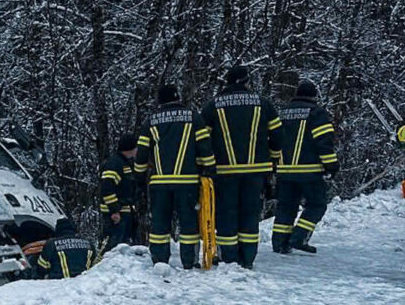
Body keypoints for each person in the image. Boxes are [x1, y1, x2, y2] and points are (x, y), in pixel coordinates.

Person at [203, 65, 282, 269]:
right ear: (246, 81)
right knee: (250, 212)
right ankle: (247, 257)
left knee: (227, 212)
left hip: (224, 171)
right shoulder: (263, 104)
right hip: (256, 171)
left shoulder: (213, 106)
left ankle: (229, 257)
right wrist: (273, 161)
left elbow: (201, 138)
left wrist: (206, 164)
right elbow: (278, 136)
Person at [135, 83, 215, 269]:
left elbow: (142, 153)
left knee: (160, 224)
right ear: (178, 97)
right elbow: (205, 145)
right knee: (188, 224)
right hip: (187, 181)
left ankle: (159, 260)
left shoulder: (151, 121)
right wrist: (209, 169)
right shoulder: (193, 118)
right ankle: (189, 261)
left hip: (159, 183)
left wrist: (139, 177)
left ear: (160, 101)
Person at [273, 79, 339, 254]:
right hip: (309, 171)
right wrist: (331, 166)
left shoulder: (282, 113)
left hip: (284, 171)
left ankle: (279, 243)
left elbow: (272, 140)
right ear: (314, 96)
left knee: (286, 206)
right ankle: (299, 237)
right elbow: (324, 142)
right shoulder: (316, 113)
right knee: (317, 205)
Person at [99, 136, 141, 252]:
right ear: (130, 148)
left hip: (125, 212)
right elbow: (107, 188)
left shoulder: (125, 163)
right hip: (116, 215)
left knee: (124, 249)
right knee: (113, 249)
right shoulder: (115, 163)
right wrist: (114, 210)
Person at [32, 219, 97, 279]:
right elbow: (96, 265)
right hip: (84, 285)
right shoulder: (88, 243)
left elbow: (42, 268)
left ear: (58, 229)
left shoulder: (52, 244)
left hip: (60, 285)